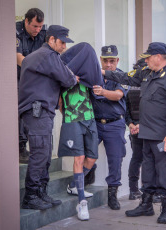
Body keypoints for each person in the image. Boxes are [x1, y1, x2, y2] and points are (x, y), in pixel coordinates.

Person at [102, 42, 166, 224]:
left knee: (164, 172)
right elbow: (126, 77)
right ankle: (146, 205)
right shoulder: (146, 73)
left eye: (148, 57)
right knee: (147, 170)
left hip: (163, 137)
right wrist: (104, 73)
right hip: (146, 134)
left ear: (158, 57)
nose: (145, 60)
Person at [19, 25, 77, 210]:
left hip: (39, 111)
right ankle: (31, 196)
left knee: (44, 154)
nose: (64, 47)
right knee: (40, 154)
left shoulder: (41, 56)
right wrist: (72, 77)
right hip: (38, 111)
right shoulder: (48, 56)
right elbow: (69, 80)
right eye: (62, 42)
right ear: (51, 40)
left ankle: (41, 193)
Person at [58, 42, 104, 221]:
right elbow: (60, 103)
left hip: (89, 120)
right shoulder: (64, 78)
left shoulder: (88, 77)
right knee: (78, 157)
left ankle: (74, 185)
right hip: (72, 121)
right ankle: (82, 202)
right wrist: (68, 116)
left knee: (91, 158)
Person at [91, 45, 129, 210]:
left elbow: (118, 95)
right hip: (95, 123)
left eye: (112, 61)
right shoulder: (93, 76)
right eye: (105, 61)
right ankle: (86, 176)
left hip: (115, 124)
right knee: (87, 152)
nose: (108, 64)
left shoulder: (121, 76)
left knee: (115, 159)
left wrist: (102, 92)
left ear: (117, 60)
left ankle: (112, 194)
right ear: (101, 60)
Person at [16, 8, 46, 164]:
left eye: (40, 26)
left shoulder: (44, 32)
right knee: (21, 113)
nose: (38, 30)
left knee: (35, 112)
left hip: (37, 82)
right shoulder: (16, 31)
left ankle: (35, 147)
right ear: (26, 21)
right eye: (34, 26)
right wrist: (37, 69)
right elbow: (18, 57)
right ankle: (21, 148)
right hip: (19, 80)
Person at [125, 58, 146, 200]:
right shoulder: (148, 84)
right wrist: (140, 125)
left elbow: (125, 109)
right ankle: (148, 190)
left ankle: (133, 190)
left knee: (136, 159)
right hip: (147, 127)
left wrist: (131, 124)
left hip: (135, 129)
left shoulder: (129, 85)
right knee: (149, 160)